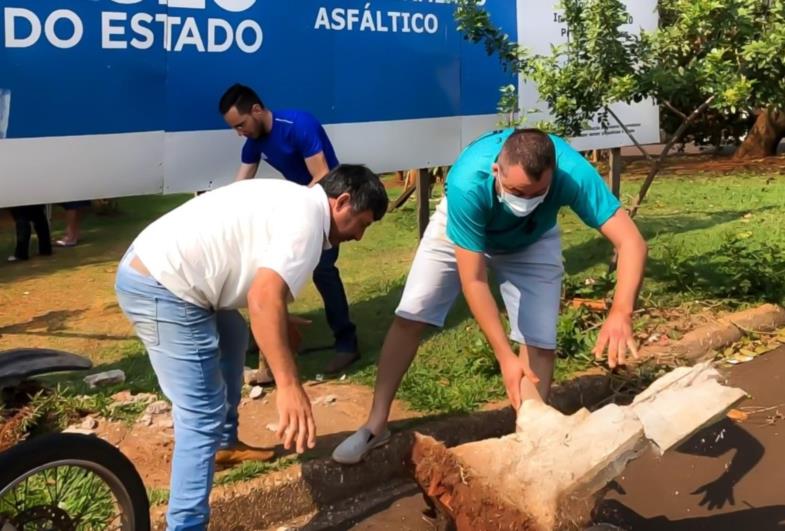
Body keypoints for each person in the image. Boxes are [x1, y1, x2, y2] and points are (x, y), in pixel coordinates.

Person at [333, 128, 648, 464]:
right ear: (497, 170)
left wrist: (621, 311)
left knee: (539, 340)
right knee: (412, 313)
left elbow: (631, 242)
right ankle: (376, 424)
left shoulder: (573, 174)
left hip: (532, 239)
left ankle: (531, 442)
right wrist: (504, 355)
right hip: (462, 228)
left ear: (553, 176)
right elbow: (474, 280)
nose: (524, 202)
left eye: (536, 193)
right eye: (516, 191)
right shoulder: (467, 181)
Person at [115, 165, 388, 530]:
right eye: (363, 224)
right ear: (341, 202)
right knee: (200, 414)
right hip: (163, 287)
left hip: (161, 268)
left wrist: (278, 316)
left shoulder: (298, 201)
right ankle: (186, 525)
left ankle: (225, 443)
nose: (359, 237)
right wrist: (289, 386)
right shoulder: (307, 225)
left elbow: (256, 270)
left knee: (233, 335)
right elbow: (263, 297)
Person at [220, 83, 360, 375]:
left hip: (331, 207)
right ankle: (265, 338)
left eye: (241, 124)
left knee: (323, 270)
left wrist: (290, 208)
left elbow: (322, 174)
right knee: (267, 269)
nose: (239, 132)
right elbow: (240, 184)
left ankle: (347, 344)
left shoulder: (298, 125)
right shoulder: (254, 141)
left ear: (257, 110)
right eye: (234, 128)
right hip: (302, 206)